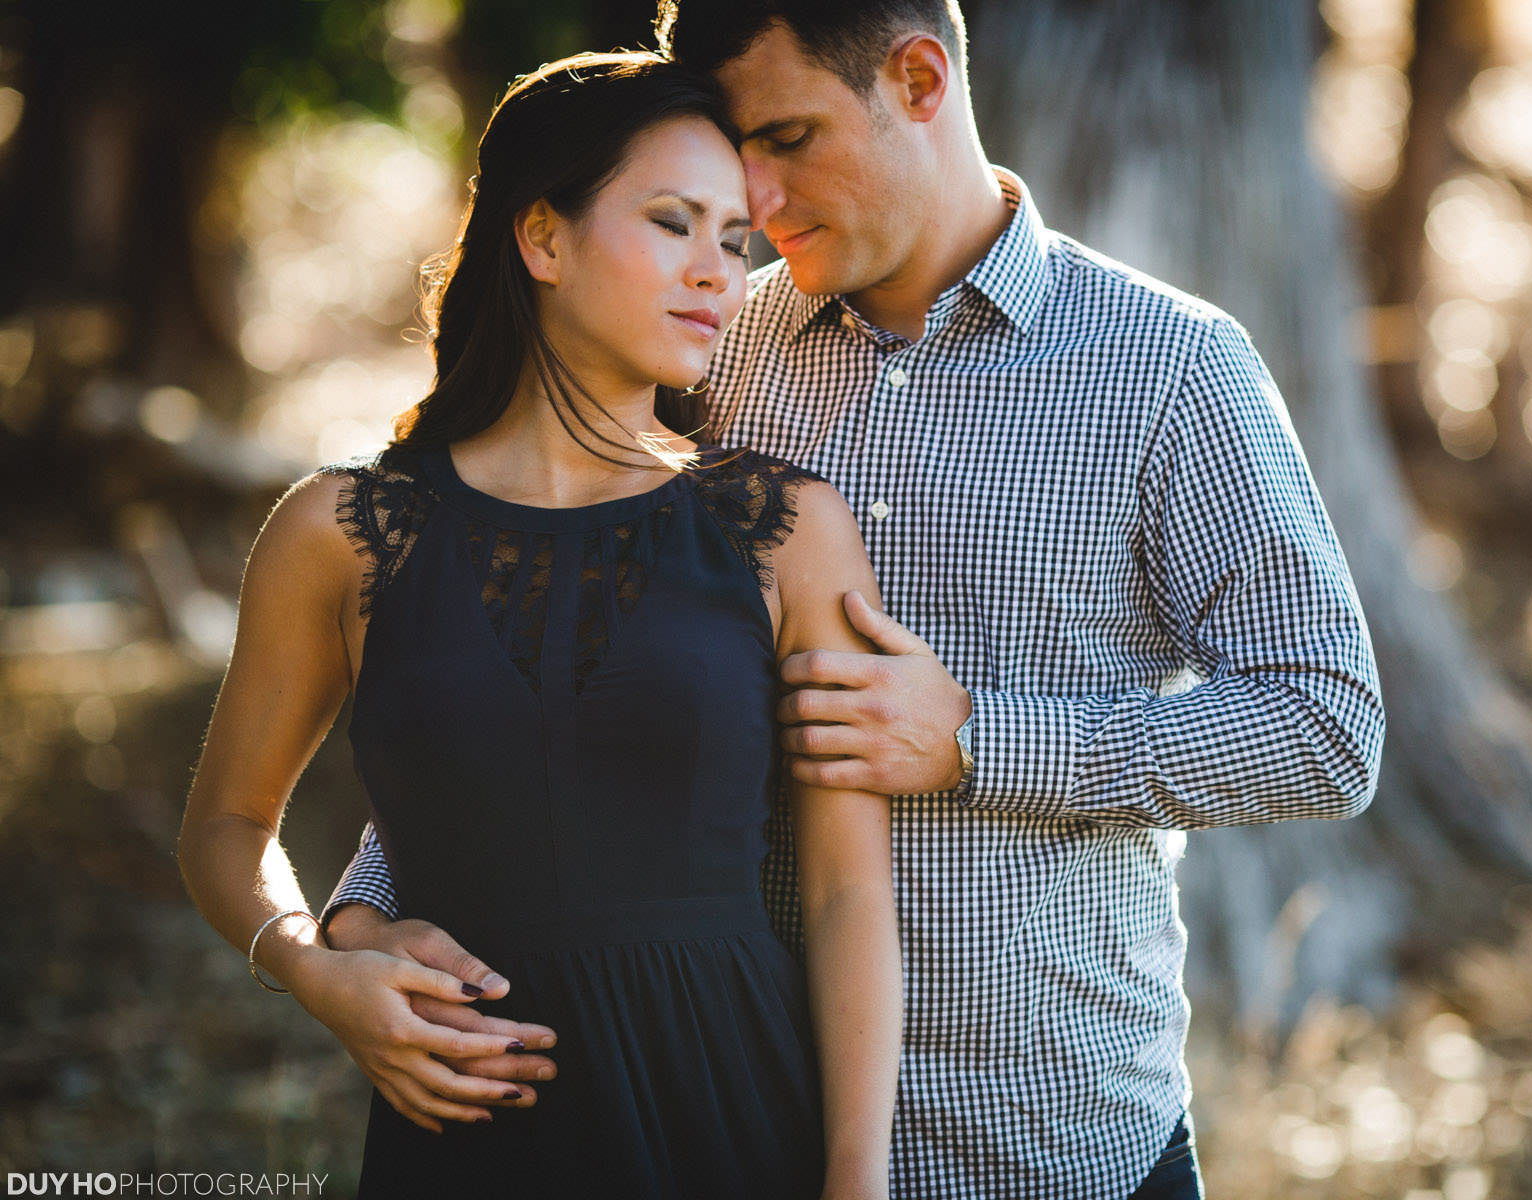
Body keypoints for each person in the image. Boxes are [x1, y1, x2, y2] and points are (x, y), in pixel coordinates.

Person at [321, 3, 1389, 1197]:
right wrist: (363, 919)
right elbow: (549, 686)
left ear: (921, 79)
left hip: (1045, 1140)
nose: (759, 203)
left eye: (789, 138)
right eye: (738, 156)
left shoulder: (1168, 369)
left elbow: (1328, 728)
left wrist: (980, 741)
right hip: (741, 1123)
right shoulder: (709, 344)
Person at [176, 51, 901, 1200]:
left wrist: (856, 1182)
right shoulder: (342, 531)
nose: (719, 273)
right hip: (464, 1131)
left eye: (734, 240)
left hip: (730, 1118)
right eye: (674, 224)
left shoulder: (786, 527)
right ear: (544, 239)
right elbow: (224, 825)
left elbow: (849, 893)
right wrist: (315, 968)